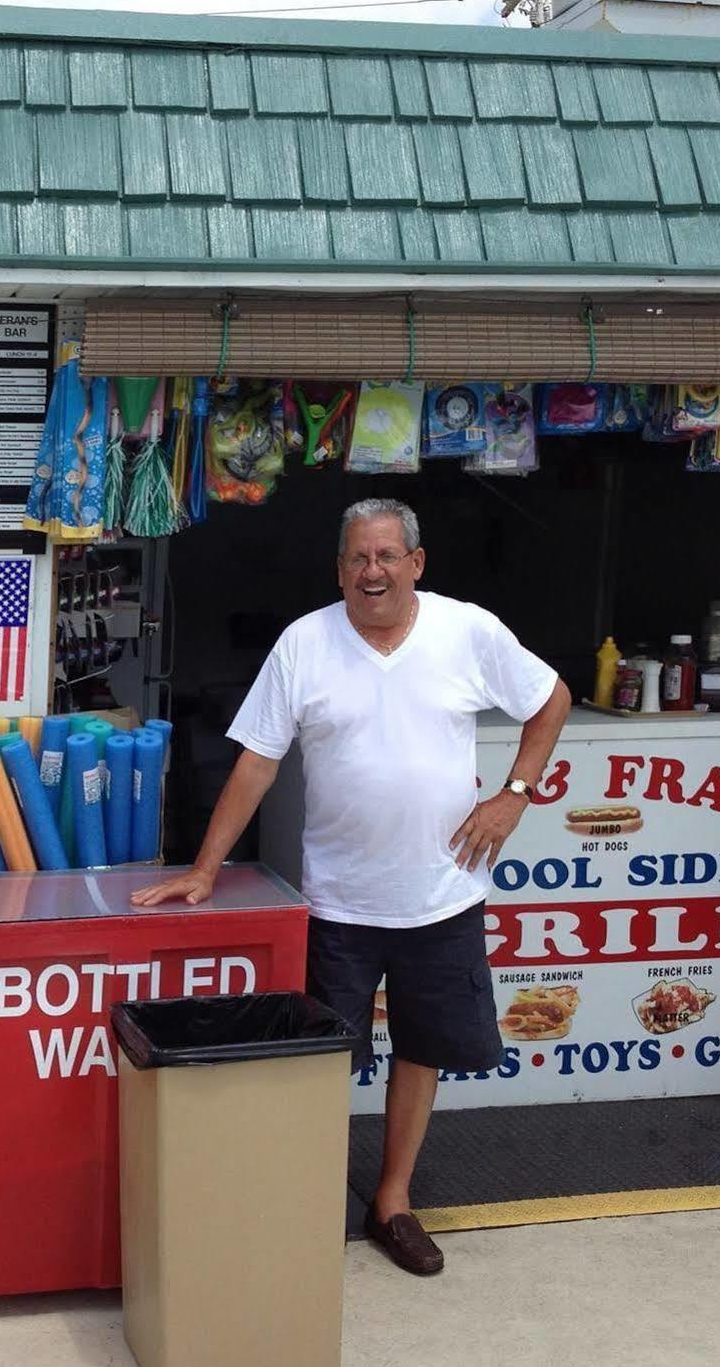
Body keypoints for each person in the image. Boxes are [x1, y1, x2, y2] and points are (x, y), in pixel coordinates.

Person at [131, 497, 569, 1276]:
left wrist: (514, 794)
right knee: (319, 1059)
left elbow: (549, 698)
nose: (373, 571)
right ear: (339, 569)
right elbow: (257, 761)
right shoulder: (304, 642)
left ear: (416, 562)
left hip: (443, 893)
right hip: (337, 899)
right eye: (357, 559)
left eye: (387, 556)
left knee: (423, 1050)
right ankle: (300, 1204)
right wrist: (203, 867)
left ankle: (391, 1201)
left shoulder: (465, 630)